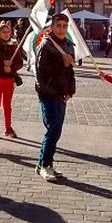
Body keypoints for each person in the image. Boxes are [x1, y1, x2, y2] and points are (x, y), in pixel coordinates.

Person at [34, 13, 75, 182]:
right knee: (52, 130)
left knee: (56, 131)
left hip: (61, 94)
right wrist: (61, 63)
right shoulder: (46, 45)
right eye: (58, 26)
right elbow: (41, 72)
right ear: (52, 27)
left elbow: (70, 71)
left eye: (65, 26)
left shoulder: (68, 45)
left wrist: (70, 91)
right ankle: (45, 165)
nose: (61, 29)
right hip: (48, 93)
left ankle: (44, 163)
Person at [0, 23, 23, 139]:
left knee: (7, 105)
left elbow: (20, 63)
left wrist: (11, 67)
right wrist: (2, 65)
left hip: (9, 80)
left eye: (8, 32)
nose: (7, 34)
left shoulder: (13, 46)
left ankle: (8, 128)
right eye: (4, 32)